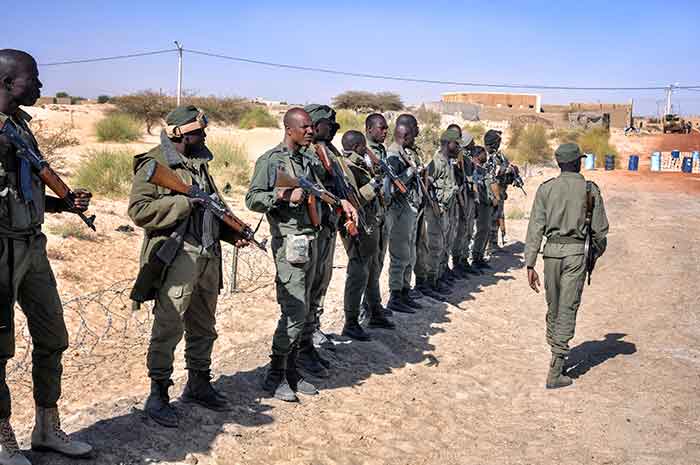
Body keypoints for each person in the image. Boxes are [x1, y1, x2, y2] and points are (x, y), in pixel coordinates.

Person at [128, 105, 250, 426]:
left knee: (204, 325)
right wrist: (184, 202)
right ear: (180, 133)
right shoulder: (155, 163)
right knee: (169, 325)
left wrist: (229, 233)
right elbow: (139, 210)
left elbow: (210, 209)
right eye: (199, 130)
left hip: (208, 254)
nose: (205, 135)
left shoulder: (198, 163)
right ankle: (158, 394)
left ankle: (198, 383)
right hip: (178, 255)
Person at [0, 49, 93, 464]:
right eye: (32, 79)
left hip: (32, 245)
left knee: (53, 337)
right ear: (6, 83)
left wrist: (65, 205)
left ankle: (46, 428)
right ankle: (3, 441)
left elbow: (28, 190)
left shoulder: (21, 129)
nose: (39, 87)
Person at [246, 108, 356, 401]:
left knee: (306, 309)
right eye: (305, 127)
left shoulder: (308, 159)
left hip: (314, 241)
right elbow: (253, 199)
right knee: (293, 312)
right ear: (289, 129)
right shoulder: (271, 161)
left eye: (311, 126)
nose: (311, 131)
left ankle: (292, 370)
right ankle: (275, 373)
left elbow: (319, 191)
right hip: (291, 245)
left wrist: (342, 202)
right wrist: (282, 196)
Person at [524, 143, 609, 389]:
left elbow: (535, 229)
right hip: (575, 255)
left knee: (554, 304)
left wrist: (530, 263)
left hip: (550, 254)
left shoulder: (546, 189)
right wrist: (593, 254)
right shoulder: (589, 190)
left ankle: (555, 350)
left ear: (560, 163)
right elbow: (600, 232)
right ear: (578, 162)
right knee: (567, 307)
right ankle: (557, 366)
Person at [296, 104, 358, 378]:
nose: (331, 131)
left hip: (327, 226)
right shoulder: (304, 154)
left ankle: (311, 335)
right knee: (305, 290)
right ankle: (300, 346)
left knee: (320, 284)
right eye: (327, 126)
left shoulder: (329, 152)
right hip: (310, 230)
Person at [338, 130, 395, 340]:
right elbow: (353, 200)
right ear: (358, 147)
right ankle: (351, 322)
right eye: (363, 147)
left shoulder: (360, 164)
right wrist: (373, 185)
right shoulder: (348, 167)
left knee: (372, 270)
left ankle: (375, 310)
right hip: (358, 226)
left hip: (371, 224)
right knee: (358, 273)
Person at [414, 129, 461, 299]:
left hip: (444, 210)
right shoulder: (436, 162)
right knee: (433, 247)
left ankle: (437, 278)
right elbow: (426, 187)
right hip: (434, 211)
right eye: (457, 144)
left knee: (442, 246)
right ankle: (428, 282)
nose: (459, 149)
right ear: (449, 144)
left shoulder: (449, 162)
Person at [385, 123, 424, 313]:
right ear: (406, 135)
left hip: (410, 209)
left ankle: (405, 291)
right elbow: (394, 183)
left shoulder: (404, 152)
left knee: (410, 253)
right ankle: (396, 294)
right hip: (399, 209)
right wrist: (411, 171)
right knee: (400, 254)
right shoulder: (393, 153)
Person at [360, 113, 390, 321]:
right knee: (367, 265)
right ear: (369, 129)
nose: (385, 131)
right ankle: (365, 309)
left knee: (378, 262)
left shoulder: (381, 150)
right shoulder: (362, 152)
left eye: (387, 127)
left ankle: (373, 304)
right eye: (381, 128)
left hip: (382, 212)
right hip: (369, 215)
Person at [484, 129, 510, 251]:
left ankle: (493, 243)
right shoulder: (485, 156)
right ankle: (487, 246)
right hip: (490, 193)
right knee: (489, 219)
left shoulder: (500, 156)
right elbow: (491, 176)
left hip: (500, 191)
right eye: (498, 141)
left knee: (497, 217)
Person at [471, 146, 494, 268]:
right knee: (481, 231)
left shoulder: (483, 170)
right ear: (477, 155)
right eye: (483, 153)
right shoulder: (475, 170)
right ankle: (475, 257)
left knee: (486, 230)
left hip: (487, 204)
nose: (486, 156)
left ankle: (480, 256)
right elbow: (476, 187)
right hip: (480, 204)